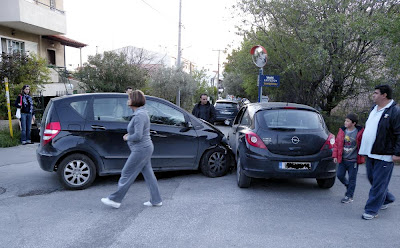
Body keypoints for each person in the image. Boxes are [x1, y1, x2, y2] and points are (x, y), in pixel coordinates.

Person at [101, 90, 162, 209]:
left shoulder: (139, 115)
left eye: (129, 98)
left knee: (126, 173)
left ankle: (115, 199)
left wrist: (128, 137)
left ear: (134, 100)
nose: (127, 101)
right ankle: (156, 200)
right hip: (144, 148)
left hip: (141, 149)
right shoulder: (140, 113)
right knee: (149, 175)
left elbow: (138, 136)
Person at [359, 84, 400, 220]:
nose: (373, 95)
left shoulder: (395, 112)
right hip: (370, 151)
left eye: (376, 93)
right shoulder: (374, 108)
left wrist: (397, 153)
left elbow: (399, 133)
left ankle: (371, 210)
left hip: (385, 154)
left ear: (384, 95)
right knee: (372, 178)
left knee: (378, 183)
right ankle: (387, 198)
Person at [332, 113, 365, 204]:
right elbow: (337, 144)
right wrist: (335, 156)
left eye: (347, 121)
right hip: (343, 159)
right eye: (345, 120)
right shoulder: (342, 131)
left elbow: (364, 143)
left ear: (353, 123)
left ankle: (349, 196)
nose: (345, 122)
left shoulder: (360, 132)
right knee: (340, 175)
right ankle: (348, 186)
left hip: (353, 160)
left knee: (352, 179)